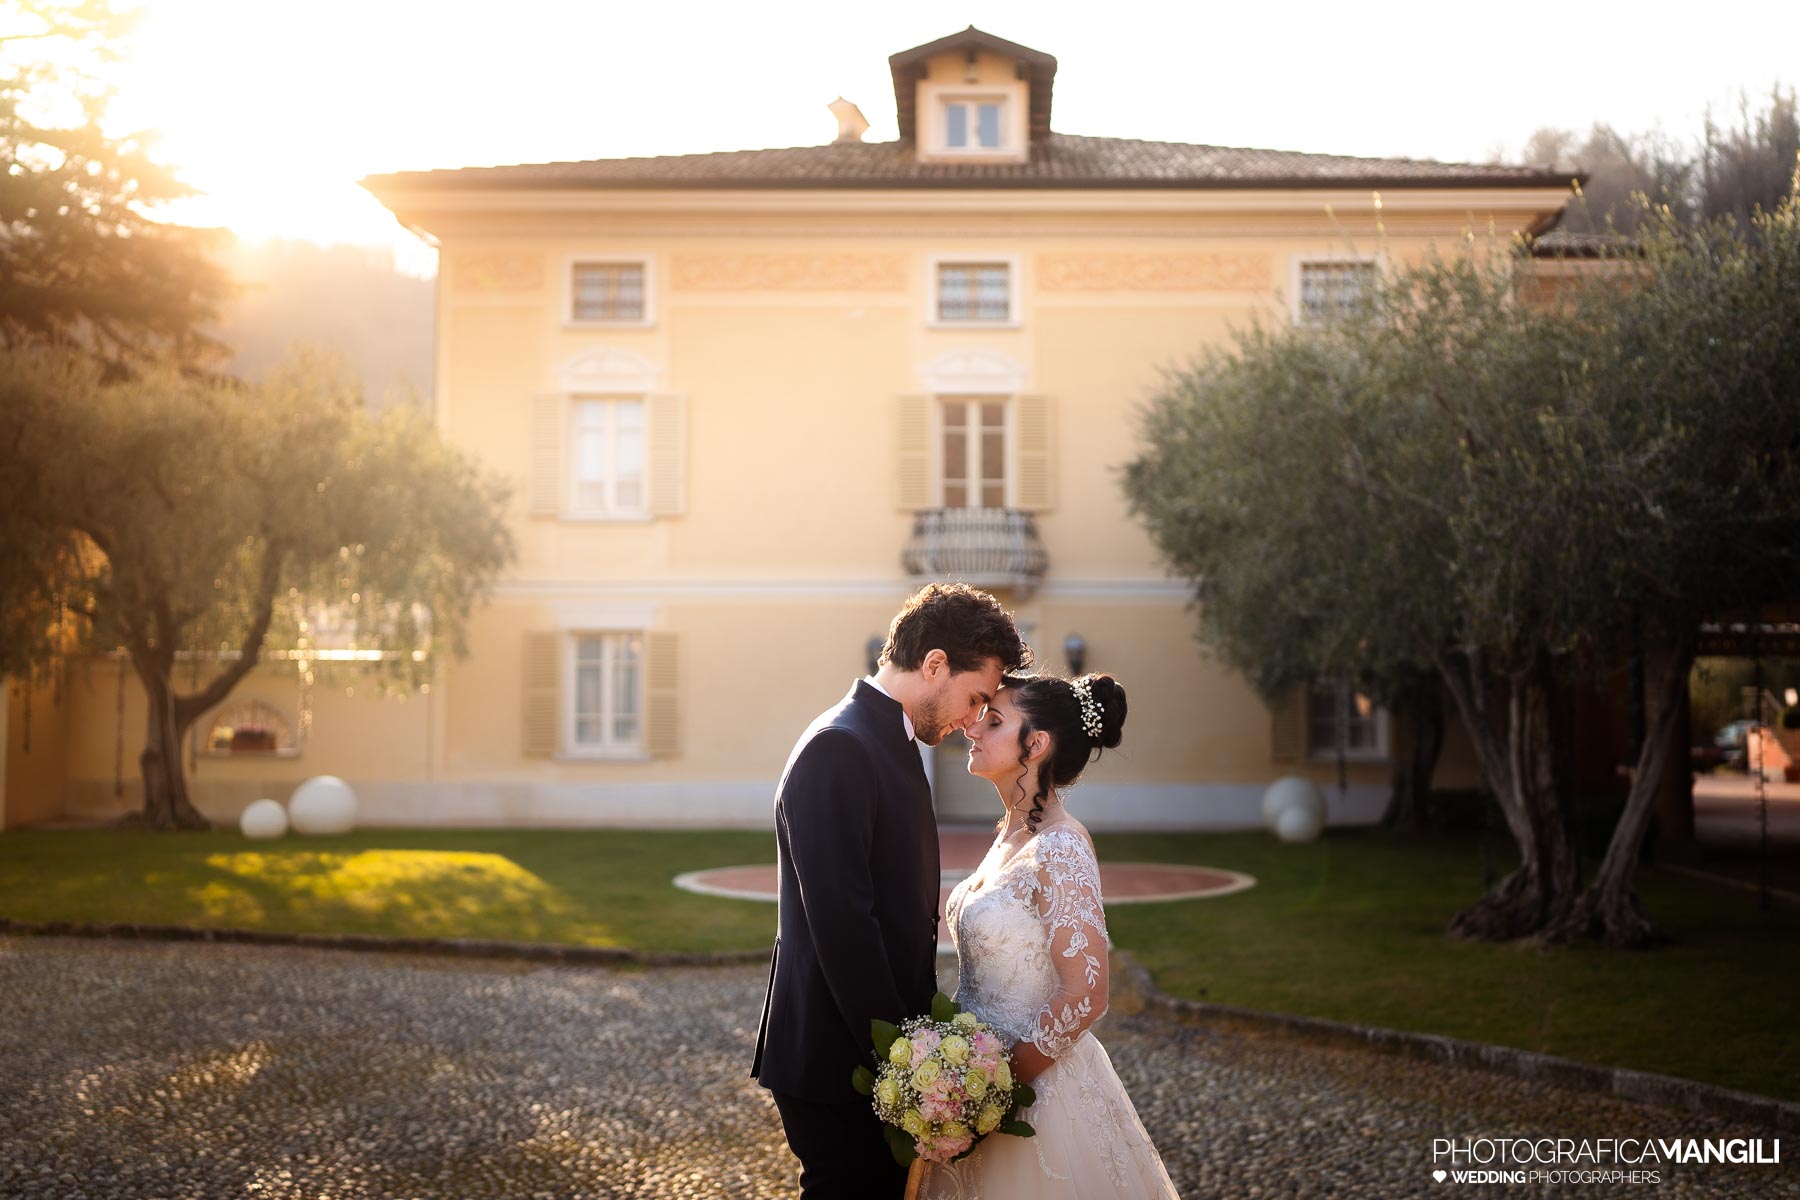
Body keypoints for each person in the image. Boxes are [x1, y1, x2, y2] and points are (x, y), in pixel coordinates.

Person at [751, 583, 1032, 1198]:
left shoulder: (889, 741)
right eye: (974, 697)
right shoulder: (840, 745)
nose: (972, 720)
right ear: (934, 664)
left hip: (877, 1054)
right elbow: (844, 926)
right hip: (837, 1059)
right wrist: (909, 1065)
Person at [920, 672, 1182, 1199]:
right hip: (970, 1077)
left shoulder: (1061, 846)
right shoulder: (1010, 834)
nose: (973, 728)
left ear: (1035, 744)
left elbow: (1085, 994)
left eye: (994, 721)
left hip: (1035, 1095)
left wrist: (990, 1094)